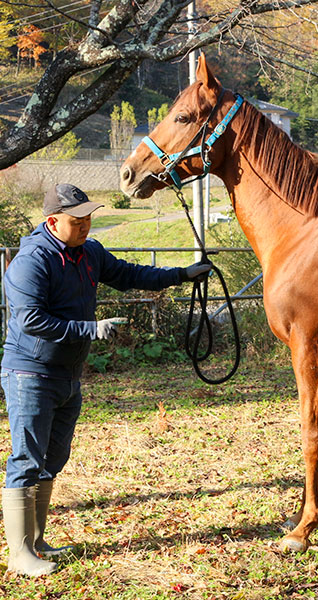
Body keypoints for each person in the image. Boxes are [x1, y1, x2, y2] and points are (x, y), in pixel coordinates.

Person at [1, 183, 211, 576]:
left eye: (88, 217)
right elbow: (30, 320)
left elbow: (129, 274)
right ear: (52, 221)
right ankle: (19, 552)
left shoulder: (89, 252)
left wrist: (181, 274)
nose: (86, 225)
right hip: (30, 372)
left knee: (53, 458)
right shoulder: (32, 260)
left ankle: (37, 540)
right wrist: (90, 329)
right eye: (77, 220)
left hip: (66, 373)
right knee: (26, 458)